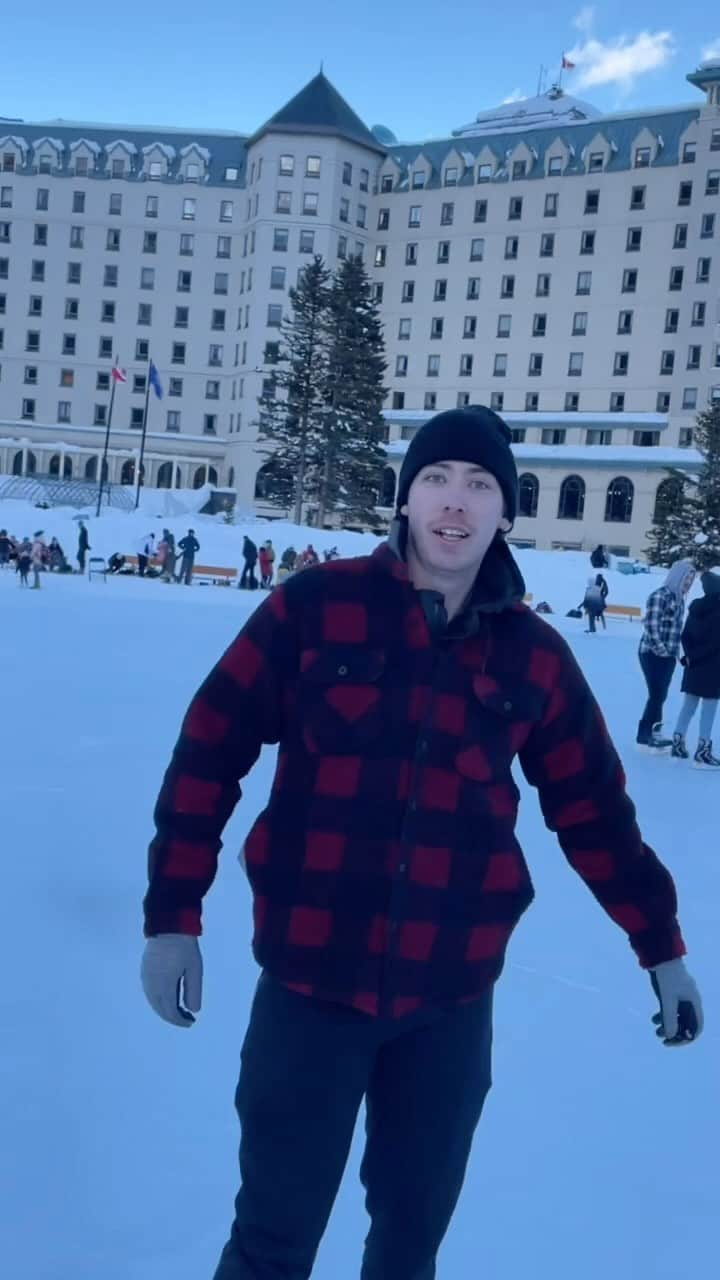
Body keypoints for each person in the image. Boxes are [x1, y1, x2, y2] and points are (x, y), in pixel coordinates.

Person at [141, 406, 702, 1280]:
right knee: (271, 1244)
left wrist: (659, 946)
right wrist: (172, 914)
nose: (455, 502)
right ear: (404, 500)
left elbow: (595, 812)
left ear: (506, 513)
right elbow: (207, 753)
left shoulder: (536, 657)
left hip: (448, 1004)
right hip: (309, 991)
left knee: (407, 1250)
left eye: (481, 486)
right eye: (437, 479)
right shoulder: (313, 609)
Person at [636, 559, 695, 751]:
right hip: (652, 653)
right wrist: (661, 650)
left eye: (690, 581)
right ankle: (651, 732)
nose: (688, 584)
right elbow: (651, 626)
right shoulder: (660, 596)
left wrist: (677, 654)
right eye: (686, 579)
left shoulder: (679, 601)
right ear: (677, 577)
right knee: (657, 694)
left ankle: (646, 733)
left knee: (659, 695)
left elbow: (675, 631)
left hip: (668, 655)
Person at [672, 570, 720, 769]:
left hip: (694, 667)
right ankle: (703, 751)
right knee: (708, 710)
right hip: (713, 668)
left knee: (688, 706)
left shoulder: (695, 608)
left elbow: (685, 636)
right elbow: (716, 643)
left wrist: (689, 657)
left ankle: (678, 742)